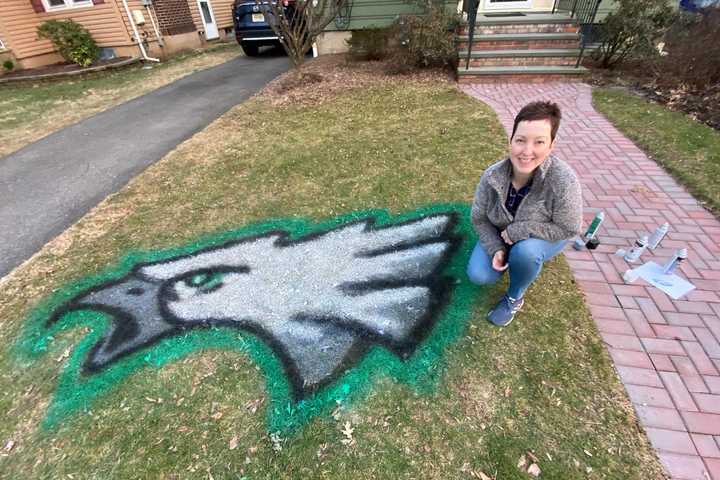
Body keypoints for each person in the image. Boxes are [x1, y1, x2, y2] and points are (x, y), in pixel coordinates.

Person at [467, 101, 583, 327]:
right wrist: (496, 248)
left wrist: (520, 230)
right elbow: (479, 218)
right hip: (502, 235)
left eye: (539, 142)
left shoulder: (563, 180)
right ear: (511, 140)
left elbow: (569, 228)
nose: (527, 151)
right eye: (520, 140)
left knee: (526, 253)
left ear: (551, 145)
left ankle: (514, 297)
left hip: (543, 237)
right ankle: (511, 255)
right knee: (479, 275)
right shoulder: (492, 175)